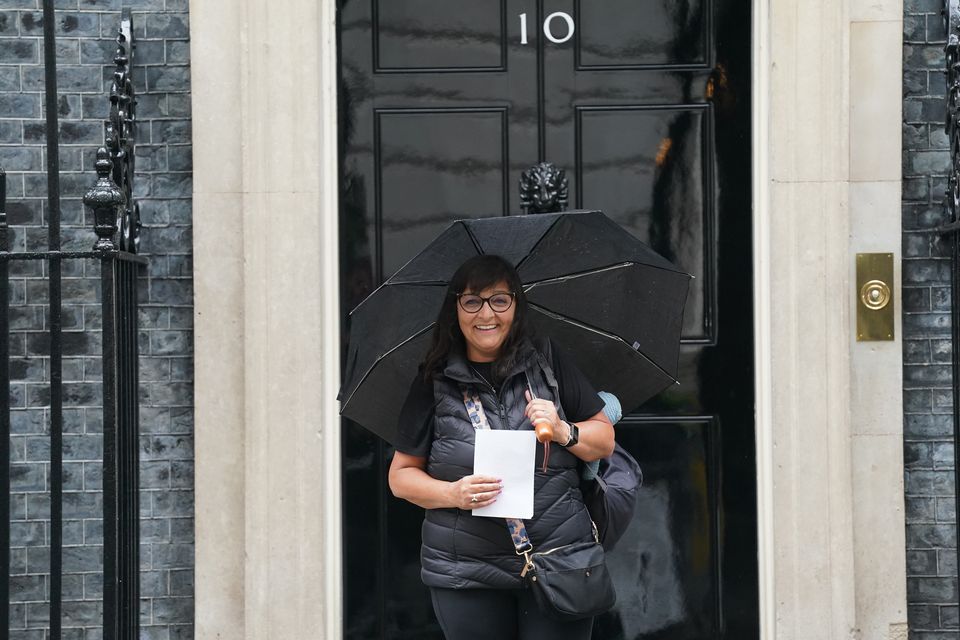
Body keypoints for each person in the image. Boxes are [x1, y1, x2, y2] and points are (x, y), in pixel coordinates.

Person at [389, 254, 615, 640]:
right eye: (472, 301)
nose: (486, 314)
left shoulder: (547, 361)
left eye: (499, 300)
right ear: (455, 309)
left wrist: (564, 431)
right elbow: (400, 477)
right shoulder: (434, 379)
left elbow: (603, 440)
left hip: (558, 561)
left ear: (516, 305)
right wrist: (453, 493)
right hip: (466, 573)